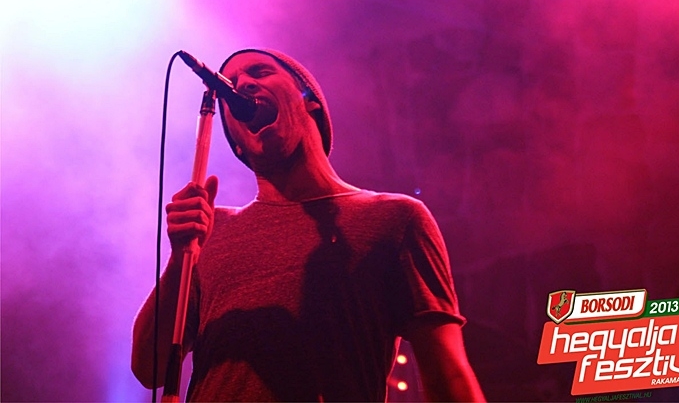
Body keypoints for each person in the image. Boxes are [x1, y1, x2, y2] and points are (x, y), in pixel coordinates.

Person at [131, 48, 485, 402]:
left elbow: (448, 375)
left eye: (260, 72)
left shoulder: (394, 219)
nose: (243, 84)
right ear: (237, 145)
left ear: (310, 100)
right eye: (232, 84)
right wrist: (181, 259)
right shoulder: (212, 229)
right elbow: (149, 368)